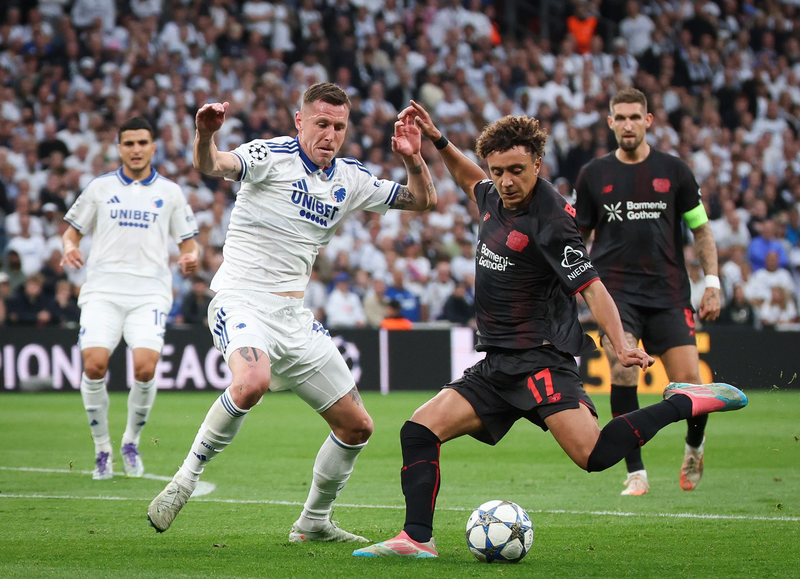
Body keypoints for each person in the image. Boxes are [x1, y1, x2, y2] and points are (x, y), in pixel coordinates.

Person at [352, 102, 746, 559]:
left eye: (517, 170)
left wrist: (621, 345)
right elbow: (467, 178)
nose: (506, 181)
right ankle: (416, 539)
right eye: (498, 171)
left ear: (538, 164)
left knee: (594, 456)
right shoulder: (494, 197)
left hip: (541, 360)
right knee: (418, 430)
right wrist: (438, 139)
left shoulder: (554, 221)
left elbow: (593, 289)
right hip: (498, 363)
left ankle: (684, 402)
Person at [147, 83, 436, 543]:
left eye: (339, 127)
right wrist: (204, 136)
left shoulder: (351, 179)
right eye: (321, 123)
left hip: (293, 316)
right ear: (300, 121)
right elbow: (212, 164)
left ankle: (313, 523)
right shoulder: (268, 156)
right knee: (251, 382)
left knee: (358, 426)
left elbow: (423, 201)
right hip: (240, 298)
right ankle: (185, 479)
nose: (330, 135)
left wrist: (413, 158)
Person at [573, 87, 722, 496]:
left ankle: (694, 445)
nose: (626, 125)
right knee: (622, 370)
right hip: (616, 294)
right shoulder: (593, 175)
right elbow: (578, 237)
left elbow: (701, 229)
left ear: (648, 120)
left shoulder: (675, 171)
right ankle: (635, 471)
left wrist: (713, 283)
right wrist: (568, 286)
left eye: (634, 117)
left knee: (690, 386)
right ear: (609, 122)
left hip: (669, 293)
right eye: (619, 118)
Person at [61, 117, 200, 480]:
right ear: (119, 148)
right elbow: (71, 233)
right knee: (94, 365)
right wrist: (69, 248)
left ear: (154, 147)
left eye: (142, 143)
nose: (136, 149)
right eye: (129, 144)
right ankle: (102, 448)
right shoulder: (99, 188)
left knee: (145, 368)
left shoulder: (170, 193)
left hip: (150, 292)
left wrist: (190, 256)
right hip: (102, 290)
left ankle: (131, 442)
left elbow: (189, 242)